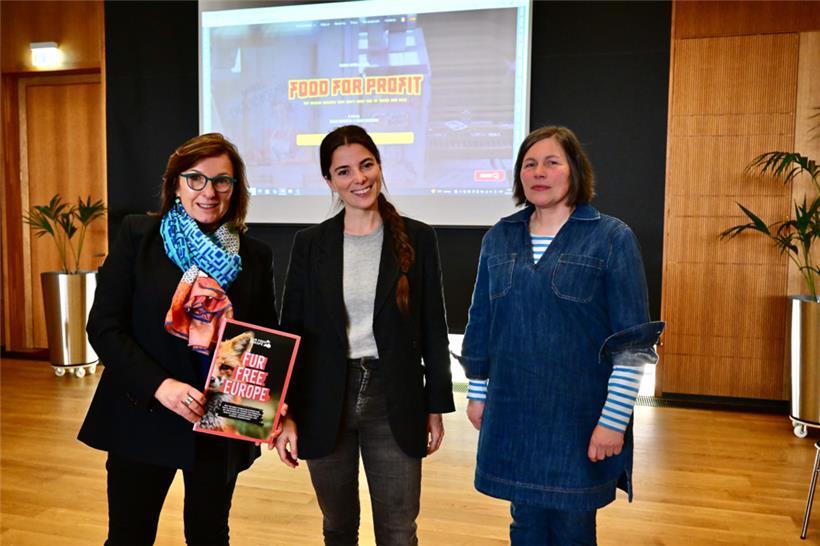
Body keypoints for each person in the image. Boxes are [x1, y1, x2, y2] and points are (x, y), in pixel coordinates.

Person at [460, 126, 665, 545]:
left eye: (552, 162)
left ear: (574, 170)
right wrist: (477, 392)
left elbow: (631, 344)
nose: (539, 172)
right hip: (514, 413)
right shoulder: (499, 237)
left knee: (573, 528)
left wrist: (613, 421)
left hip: (580, 420)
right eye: (529, 164)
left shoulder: (612, 238)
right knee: (525, 525)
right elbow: (481, 322)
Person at [78, 133, 279, 545]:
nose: (209, 191)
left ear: (235, 189)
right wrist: (160, 386)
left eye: (222, 181)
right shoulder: (138, 236)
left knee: (209, 536)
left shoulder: (254, 256)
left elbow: (262, 341)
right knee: (129, 536)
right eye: (195, 179)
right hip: (143, 412)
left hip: (219, 420)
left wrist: (270, 406)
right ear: (175, 185)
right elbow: (104, 326)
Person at [275, 125, 455, 545]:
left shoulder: (419, 237)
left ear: (379, 165)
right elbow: (292, 330)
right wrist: (285, 413)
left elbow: (434, 327)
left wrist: (435, 405)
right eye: (344, 171)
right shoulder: (309, 243)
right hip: (323, 399)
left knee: (398, 531)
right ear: (329, 181)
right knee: (338, 527)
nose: (359, 178)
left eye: (366, 165)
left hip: (395, 400)